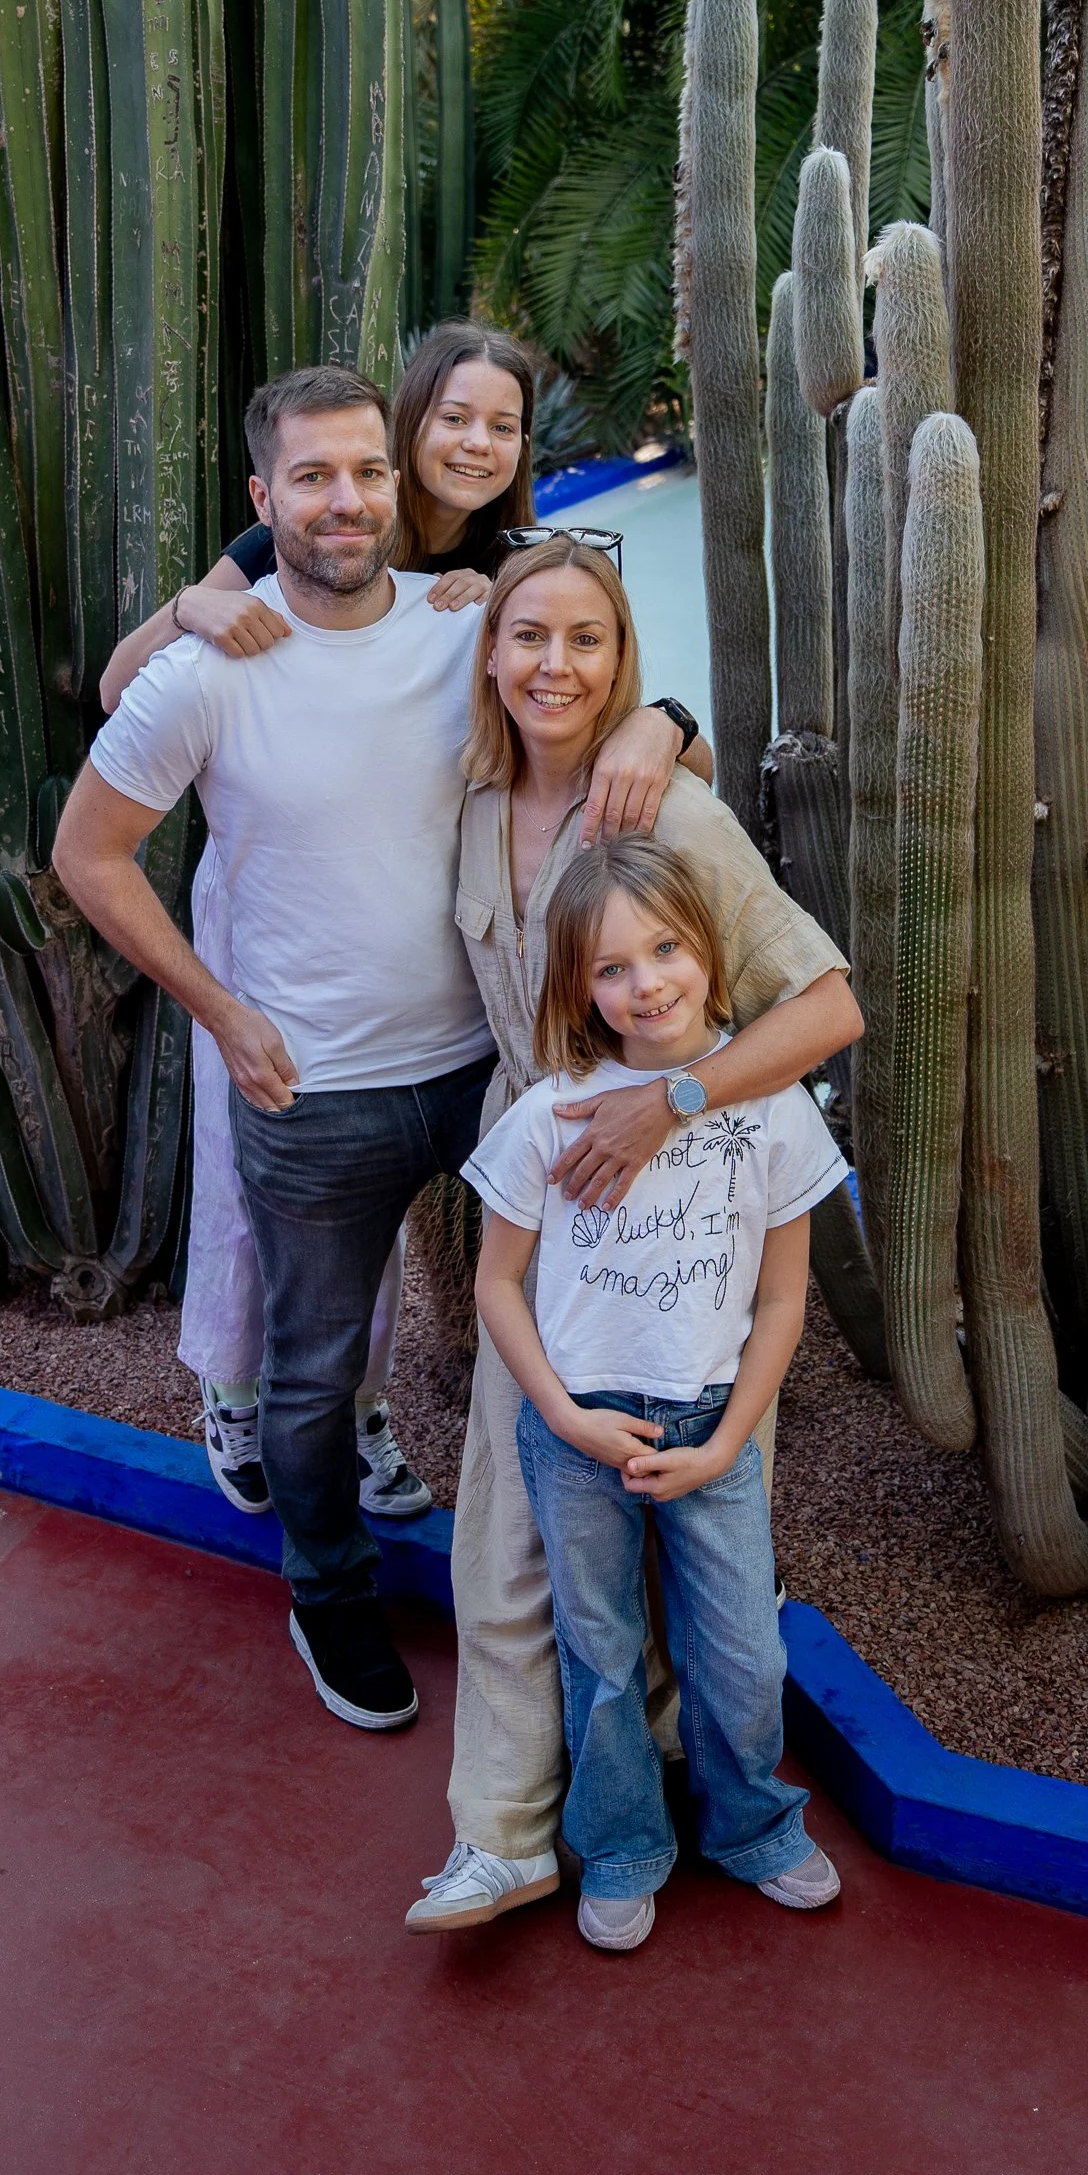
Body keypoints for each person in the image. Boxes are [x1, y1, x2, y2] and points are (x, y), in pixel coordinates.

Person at [51, 366, 697, 1733]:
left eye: (366, 473)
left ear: (397, 486)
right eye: (312, 478)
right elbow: (86, 854)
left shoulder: (461, 622)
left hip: (487, 1076)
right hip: (316, 1093)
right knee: (314, 1372)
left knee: (577, 1327)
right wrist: (219, 1009)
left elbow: (593, 636)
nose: (345, 502)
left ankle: (599, 1611)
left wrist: (662, 718)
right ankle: (330, 1598)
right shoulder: (206, 672)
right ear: (262, 501)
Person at [405, 539, 861, 1933]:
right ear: (489, 654)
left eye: (589, 642)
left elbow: (826, 1009)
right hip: (548, 1202)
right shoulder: (477, 803)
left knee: (697, 1555)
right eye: (528, 636)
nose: (556, 666)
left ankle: (684, 1812)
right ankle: (506, 1832)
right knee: (509, 1537)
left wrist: (668, 1104)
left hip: (698, 1223)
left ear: (626, 663)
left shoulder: (670, 816)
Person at [93, 325, 559, 1524]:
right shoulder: (285, 540)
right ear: (410, 429)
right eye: (454, 416)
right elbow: (119, 701)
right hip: (278, 916)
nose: (475, 441)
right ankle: (242, 1395)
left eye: (500, 424)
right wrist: (200, 604)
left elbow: (579, 692)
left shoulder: (502, 572)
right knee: (256, 1196)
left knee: (368, 1224)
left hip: (419, 936)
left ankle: (354, 1410)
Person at [462, 835, 852, 1951]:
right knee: (599, 1656)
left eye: (666, 948)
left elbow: (782, 1302)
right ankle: (625, 1846)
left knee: (739, 1651)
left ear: (705, 948)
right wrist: (562, 1414)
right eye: (612, 968)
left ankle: (752, 1826)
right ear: (580, 990)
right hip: (577, 1428)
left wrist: (732, 1442)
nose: (648, 984)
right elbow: (498, 1284)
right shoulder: (554, 1113)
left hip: (709, 1431)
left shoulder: (770, 1106)